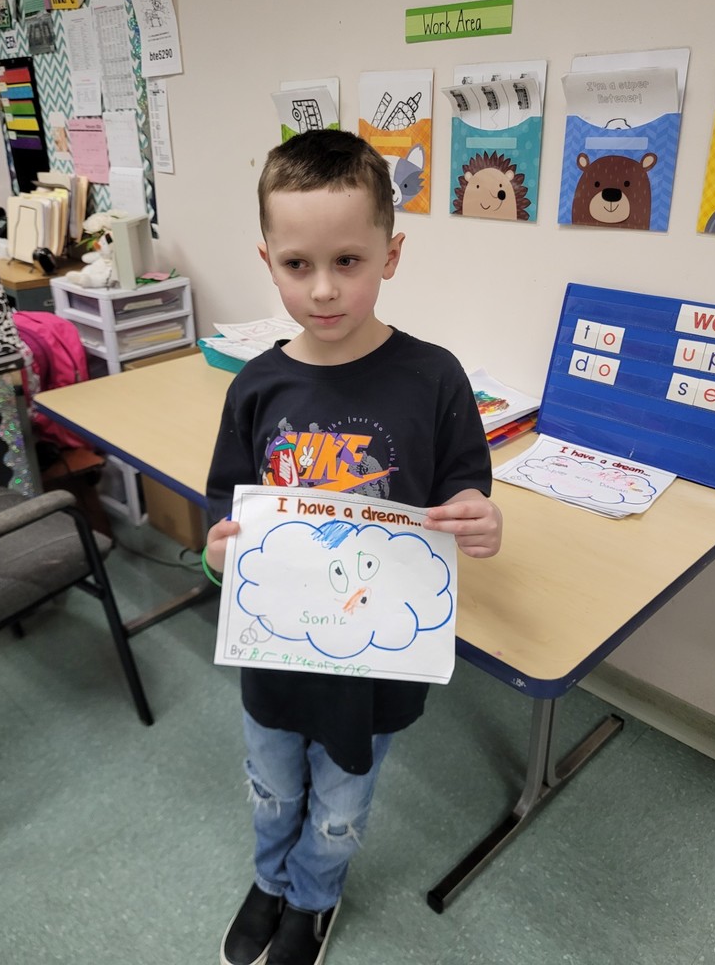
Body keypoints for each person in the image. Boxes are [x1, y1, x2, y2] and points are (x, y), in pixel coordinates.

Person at [205, 129, 502, 965]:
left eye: (350, 261)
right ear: (268, 260)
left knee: (341, 805)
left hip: (375, 662)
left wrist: (479, 516)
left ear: (392, 254)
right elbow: (226, 503)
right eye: (298, 266)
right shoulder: (257, 385)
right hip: (273, 654)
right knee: (270, 791)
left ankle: (312, 897)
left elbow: (466, 487)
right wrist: (217, 551)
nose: (325, 290)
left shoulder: (434, 378)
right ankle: (270, 881)